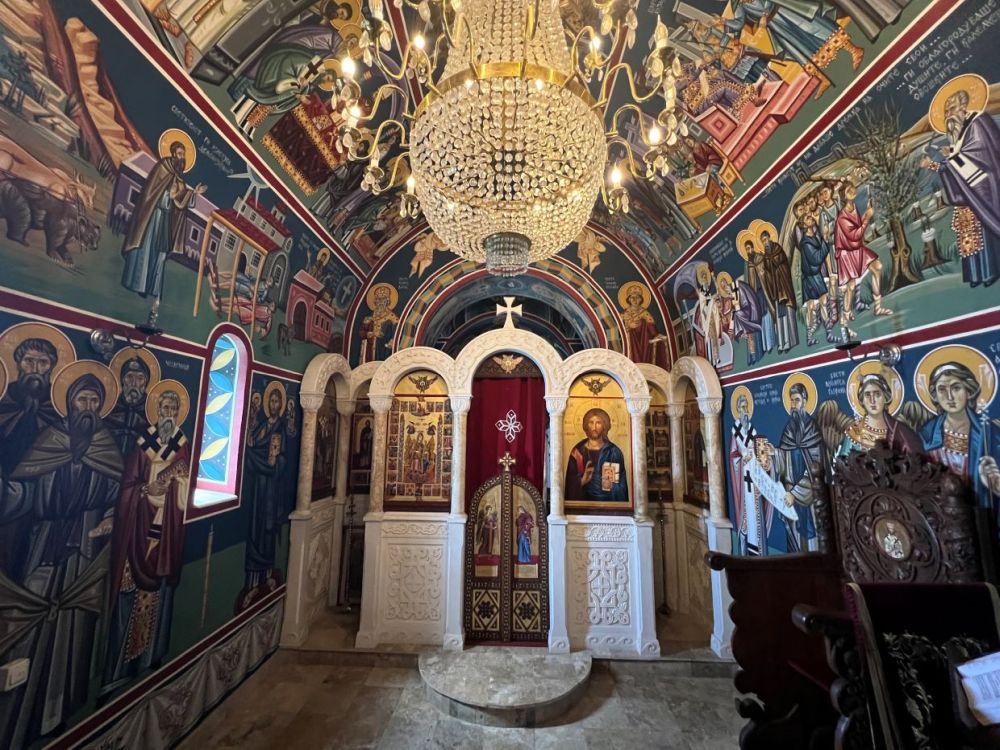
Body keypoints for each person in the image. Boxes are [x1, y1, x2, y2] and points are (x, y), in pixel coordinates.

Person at [1, 368, 123, 748]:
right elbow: (23, 490)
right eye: (81, 400)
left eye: (94, 402)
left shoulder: (107, 447)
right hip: (43, 545)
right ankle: (20, 720)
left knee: (75, 632)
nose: (87, 408)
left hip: (85, 555)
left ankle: (62, 709)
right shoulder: (48, 441)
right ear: (68, 403)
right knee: (28, 627)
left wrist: (110, 517)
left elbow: (120, 494)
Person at [102, 387, 189, 696]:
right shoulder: (142, 445)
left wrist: (176, 485)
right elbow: (129, 484)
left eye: (172, 408)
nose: (167, 412)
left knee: (160, 594)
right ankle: (119, 670)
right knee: (129, 593)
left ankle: (150, 657)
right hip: (138, 527)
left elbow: (188, 487)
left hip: (166, 530)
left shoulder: (182, 446)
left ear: (178, 413)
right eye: (163, 407)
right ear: (157, 410)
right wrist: (145, 494)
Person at [920, 82, 1000, 288]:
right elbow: (956, 165)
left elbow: (981, 155)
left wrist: (953, 156)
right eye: (946, 111)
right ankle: (976, 275)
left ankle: (990, 272)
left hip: (984, 188)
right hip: (967, 194)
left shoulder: (978, 122)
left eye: (952, 109)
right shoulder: (958, 132)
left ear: (964, 106)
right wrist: (938, 164)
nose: (948, 115)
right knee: (969, 236)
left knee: (984, 232)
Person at [919, 362, 1000, 528]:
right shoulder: (927, 433)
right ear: (935, 395)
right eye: (942, 389)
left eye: (956, 388)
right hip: (943, 520)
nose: (949, 397)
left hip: (979, 518)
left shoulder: (988, 433)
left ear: (969, 391)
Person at [122, 140, 205, 301]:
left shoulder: (180, 180)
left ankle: (152, 288)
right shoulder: (163, 168)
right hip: (153, 217)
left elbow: (181, 202)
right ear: (173, 153)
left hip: (166, 220)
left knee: (159, 253)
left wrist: (193, 193)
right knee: (146, 250)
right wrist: (169, 195)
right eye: (180, 154)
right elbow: (153, 192)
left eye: (184, 155)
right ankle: (138, 285)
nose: (182, 158)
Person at [778, 383, 825, 551]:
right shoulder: (789, 429)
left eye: (797, 400)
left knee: (812, 545)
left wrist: (796, 494)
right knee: (794, 543)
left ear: (805, 401)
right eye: (791, 401)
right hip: (790, 493)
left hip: (808, 495)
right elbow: (783, 458)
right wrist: (773, 454)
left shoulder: (812, 430)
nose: (793, 405)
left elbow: (816, 468)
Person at [834, 182, 892, 320]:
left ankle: (878, 307)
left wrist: (866, 213)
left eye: (852, 187)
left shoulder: (853, 208)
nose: (853, 190)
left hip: (857, 248)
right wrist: (867, 217)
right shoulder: (842, 218)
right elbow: (855, 235)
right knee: (851, 286)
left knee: (877, 266)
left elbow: (857, 229)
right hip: (847, 254)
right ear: (844, 196)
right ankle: (846, 313)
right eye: (849, 190)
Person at [837, 373, 922, 456]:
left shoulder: (901, 432)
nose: (872, 400)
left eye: (877, 394)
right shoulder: (854, 433)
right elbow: (843, 465)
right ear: (862, 400)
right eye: (867, 395)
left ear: (885, 397)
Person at [747, 229, 798, 354]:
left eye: (766, 239)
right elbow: (767, 274)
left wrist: (773, 262)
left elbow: (784, 265)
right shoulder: (765, 256)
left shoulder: (777, 249)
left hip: (783, 288)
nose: (765, 243)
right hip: (775, 290)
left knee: (785, 315)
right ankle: (781, 343)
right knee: (779, 317)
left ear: (770, 238)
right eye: (763, 241)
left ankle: (789, 341)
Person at [565, 408, 628, 502]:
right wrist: (582, 480)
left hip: (609, 506)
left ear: (604, 426)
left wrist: (612, 486)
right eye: (590, 422)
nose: (594, 427)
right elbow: (568, 486)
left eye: (598, 423)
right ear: (586, 425)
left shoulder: (613, 452)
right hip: (583, 507)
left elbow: (622, 487)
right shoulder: (577, 453)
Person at [106, 355, 152, 456]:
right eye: (130, 377)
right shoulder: (110, 407)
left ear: (146, 383)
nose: (134, 383)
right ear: (122, 380)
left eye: (140, 378)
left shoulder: (151, 412)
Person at [796, 219, 830, 346]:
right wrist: (825, 241)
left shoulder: (812, 238)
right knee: (816, 304)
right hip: (811, 276)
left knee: (821, 301)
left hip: (814, 274)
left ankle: (827, 331)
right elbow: (816, 258)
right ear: (805, 225)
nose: (811, 218)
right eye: (808, 219)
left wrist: (824, 237)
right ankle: (816, 335)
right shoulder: (806, 243)